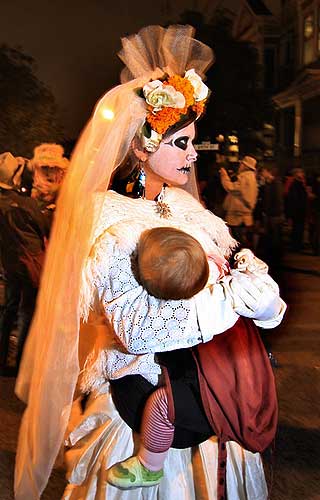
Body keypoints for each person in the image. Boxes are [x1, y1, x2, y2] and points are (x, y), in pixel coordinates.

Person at [14, 25, 286, 500]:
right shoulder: (106, 215)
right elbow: (137, 327)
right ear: (141, 146)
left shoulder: (188, 207)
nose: (191, 154)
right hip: (146, 391)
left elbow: (237, 262)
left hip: (214, 383)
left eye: (192, 142)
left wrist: (263, 299)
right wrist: (226, 304)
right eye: (179, 143)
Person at [107, 227, 277, 490]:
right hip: (242, 370)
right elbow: (265, 297)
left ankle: (149, 465)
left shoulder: (193, 312)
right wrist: (247, 263)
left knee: (161, 405)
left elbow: (141, 336)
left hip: (216, 387)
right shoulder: (226, 281)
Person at [0, 152, 50, 375]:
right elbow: (46, 229)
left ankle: (2, 359)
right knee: (27, 312)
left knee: (9, 309)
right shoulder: (27, 205)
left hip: (9, 263)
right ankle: (20, 364)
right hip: (31, 266)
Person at [220, 155, 258, 248]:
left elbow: (231, 187)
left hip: (238, 217)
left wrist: (224, 176)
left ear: (245, 166)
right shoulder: (251, 177)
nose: (239, 166)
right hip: (244, 217)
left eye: (241, 164)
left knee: (238, 243)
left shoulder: (245, 177)